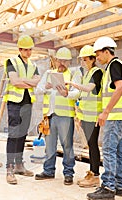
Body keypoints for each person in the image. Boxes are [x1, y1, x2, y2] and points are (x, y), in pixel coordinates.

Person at [87, 37, 122, 200]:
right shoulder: (116, 66)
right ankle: (119, 186)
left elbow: (120, 88)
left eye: (98, 54)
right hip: (120, 116)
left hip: (115, 116)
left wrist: (106, 112)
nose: (97, 57)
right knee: (118, 151)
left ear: (106, 51)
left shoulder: (114, 65)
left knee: (109, 150)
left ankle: (108, 187)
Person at [35, 47, 81, 185]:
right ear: (56, 60)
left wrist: (68, 93)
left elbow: (77, 92)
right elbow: (37, 90)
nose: (62, 63)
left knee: (67, 145)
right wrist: (46, 87)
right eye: (60, 60)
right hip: (49, 115)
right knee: (49, 145)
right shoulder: (49, 74)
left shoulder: (74, 75)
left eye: (65, 61)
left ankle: (68, 173)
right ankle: (48, 171)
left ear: (69, 62)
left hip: (65, 115)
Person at [3, 35, 41, 185]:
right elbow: (14, 81)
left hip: (27, 103)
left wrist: (24, 82)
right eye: (26, 50)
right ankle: (9, 168)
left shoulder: (33, 65)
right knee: (13, 135)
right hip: (14, 103)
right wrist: (30, 83)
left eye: (30, 50)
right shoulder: (11, 62)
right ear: (20, 49)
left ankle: (19, 165)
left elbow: (36, 82)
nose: (29, 52)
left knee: (22, 134)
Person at [68, 45, 103, 188]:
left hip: (94, 116)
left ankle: (95, 175)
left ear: (93, 59)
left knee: (93, 145)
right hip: (87, 116)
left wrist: (72, 84)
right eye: (82, 60)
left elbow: (88, 89)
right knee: (90, 145)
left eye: (85, 59)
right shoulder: (87, 74)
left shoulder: (97, 72)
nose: (83, 62)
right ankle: (92, 172)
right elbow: (83, 96)